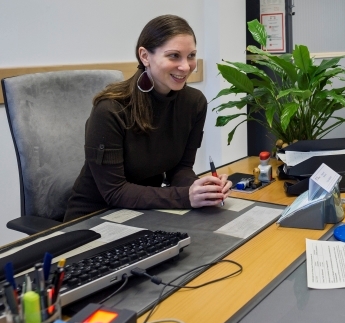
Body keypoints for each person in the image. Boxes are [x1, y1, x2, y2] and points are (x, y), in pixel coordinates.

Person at [64, 15, 231, 221]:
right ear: (144, 56)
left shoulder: (194, 104)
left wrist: (203, 190)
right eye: (174, 56)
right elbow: (114, 191)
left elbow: (181, 169)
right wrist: (185, 196)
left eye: (191, 56)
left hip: (144, 214)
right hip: (94, 218)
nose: (186, 66)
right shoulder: (110, 110)